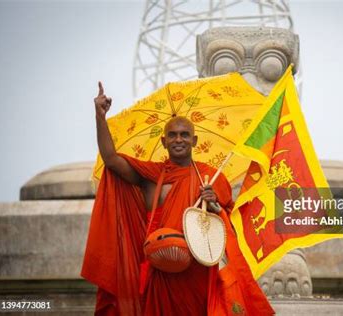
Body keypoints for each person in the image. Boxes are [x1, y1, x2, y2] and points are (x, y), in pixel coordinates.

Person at [81, 82, 274, 316]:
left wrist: (213, 205)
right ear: (164, 142)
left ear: (194, 141)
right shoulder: (150, 177)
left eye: (184, 135)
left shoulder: (211, 178)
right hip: (159, 269)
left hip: (198, 272)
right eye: (172, 135)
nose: (178, 139)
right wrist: (100, 117)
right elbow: (111, 159)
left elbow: (229, 227)